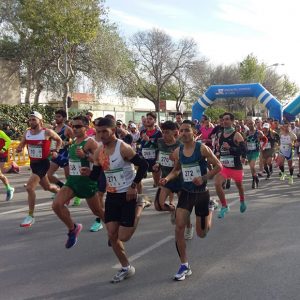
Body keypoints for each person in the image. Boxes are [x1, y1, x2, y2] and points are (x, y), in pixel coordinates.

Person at [86, 117, 149, 283]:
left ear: (113, 131)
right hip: (112, 196)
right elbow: (96, 174)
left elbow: (143, 166)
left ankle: (140, 204)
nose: (101, 135)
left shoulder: (123, 148)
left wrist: (133, 186)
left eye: (104, 131)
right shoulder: (99, 151)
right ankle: (126, 267)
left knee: (124, 236)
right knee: (112, 234)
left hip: (128, 195)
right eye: (98, 132)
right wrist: (88, 173)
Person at [160, 120, 221, 281]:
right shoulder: (179, 151)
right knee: (179, 227)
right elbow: (177, 170)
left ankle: (210, 209)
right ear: (178, 133)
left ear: (193, 132)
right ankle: (184, 265)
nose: (184, 133)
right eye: (181, 131)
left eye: (187, 130)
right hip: (186, 193)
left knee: (202, 234)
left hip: (201, 193)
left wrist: (204, 177)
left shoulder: (202, 148)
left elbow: (218, 166)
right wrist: (166, 178)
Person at [52, 115, 104, 248]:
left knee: (98, 212)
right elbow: (72, 163)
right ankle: (72, 228)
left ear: (86, 127)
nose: (74, 128)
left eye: (78, 126)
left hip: (87, 183)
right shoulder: (73, 142)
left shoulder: (91, 142)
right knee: (56, 205)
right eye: (73, 125)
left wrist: (86, 156)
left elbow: (102, 161)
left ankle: (113, 232)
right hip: (72, 182)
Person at [16, 111, 62, 227]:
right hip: (33, 164)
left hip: (43, 163)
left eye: (34, 119)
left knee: (30, 187)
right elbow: (22, 144)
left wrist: (55, 150)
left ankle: (30, 216)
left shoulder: (47, 132)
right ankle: (60, 192)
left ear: (40, 121)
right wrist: (19, 148)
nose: (31, 122)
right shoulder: (27, 132)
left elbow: (59, 140)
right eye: (30, 120)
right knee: (46, 187)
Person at [214, 112, 247, 218]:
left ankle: (242, 200)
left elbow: (243, 150)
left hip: (236, 167)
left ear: (232, 121)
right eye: (223, 119)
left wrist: (231, 148)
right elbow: (221, 149)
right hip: (224, 166)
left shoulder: (237, 134)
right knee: (217, 183)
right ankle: (224, 206)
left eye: (227, 119)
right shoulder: (221, 134)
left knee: (239, 186)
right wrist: (218, 153)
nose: (225, 121)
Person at [153, 121, 181, 224]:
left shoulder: (180, 145)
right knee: (158, 206)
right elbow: (160, 154)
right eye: (163, 132)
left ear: (175, 132)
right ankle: (172, 209)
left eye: (167, 132)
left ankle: (188, 226)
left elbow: (177, 169)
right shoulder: (160, 142)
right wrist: (157, 163)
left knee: (183, 209)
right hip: (166, 178)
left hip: (180, 180)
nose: (164, 135)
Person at [47, 109, 74, 190]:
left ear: (64, 118)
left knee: (69, 178)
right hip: (56, 154)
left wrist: (67, 143)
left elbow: (75, 140)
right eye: (56, 116)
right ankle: (62, 186)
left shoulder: (67, 129)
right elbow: (50, 141)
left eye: (59, 117)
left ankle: (76, 195)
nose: (56, 118)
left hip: (66, 155)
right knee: (48, 175)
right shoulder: (53, 129)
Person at [138, 112, 162, 187]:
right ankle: (140, 197)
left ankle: (157, 198)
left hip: (154, 160)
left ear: (154, 120)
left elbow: (160, 147)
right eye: (147, 118)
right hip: (143, 160)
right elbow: (141, 145)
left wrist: (149, 141)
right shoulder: (142, 132)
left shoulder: (158, 133)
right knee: (138, 181)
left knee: (157, 184)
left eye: (150, 119)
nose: (148, 120)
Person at [245, 119, 268, 188]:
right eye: (249, 124)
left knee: (252, 166)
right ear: (247, 125)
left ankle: (253, 181)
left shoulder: (258, 132)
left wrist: (263, 146)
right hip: (248, 152)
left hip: (256, 151)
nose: (250, 125)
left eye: (251, 123)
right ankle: (255, 178)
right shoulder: (246, 132)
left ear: (254, 124)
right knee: (252, 168)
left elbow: (265, 139)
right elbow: (244, 141)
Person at [278, 120, 297, 184]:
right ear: (283, 127)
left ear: (289, 127)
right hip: (282, 150)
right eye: (285, 126)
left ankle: (291, 176)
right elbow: (279, 140)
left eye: (287, 127)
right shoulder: (281, 133)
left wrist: (293, 144)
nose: (286, 128)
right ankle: (283, 173)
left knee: (290, 165)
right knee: (280, 163)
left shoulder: (292, 135)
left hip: (289, 151)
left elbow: (296, 142)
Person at [0, 129, 14, 201]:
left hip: (1, 154)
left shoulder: (1, 133)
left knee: (1, 173)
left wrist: (4, 148)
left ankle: (9, 188)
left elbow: (8, 140)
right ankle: (9, 188)